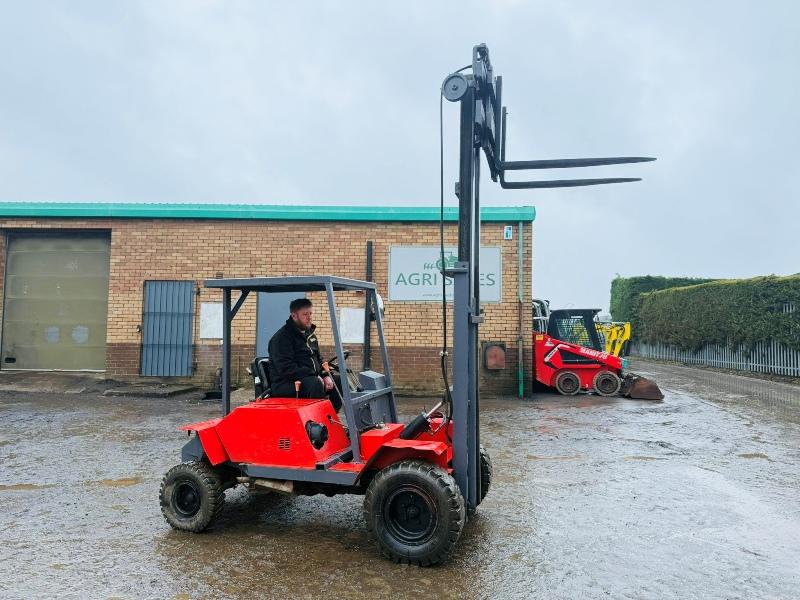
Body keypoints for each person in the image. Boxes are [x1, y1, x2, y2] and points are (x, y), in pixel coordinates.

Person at [267, 298, 342, 411]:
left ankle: (331, 415)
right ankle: (316, 419)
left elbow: (318, 359)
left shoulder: (310, 336)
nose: (309, 317)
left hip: (308, 378)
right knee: (315, 384)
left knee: (338, 380)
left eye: (310, 313)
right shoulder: (281, 338)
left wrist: (325, 375)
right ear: (294, 316)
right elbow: (286, 368)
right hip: (284, 383)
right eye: (305, 314)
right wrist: (314, 375)